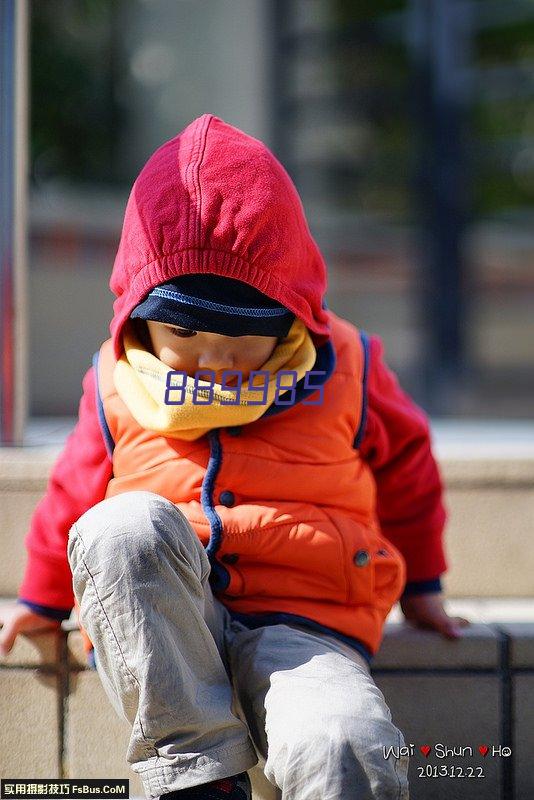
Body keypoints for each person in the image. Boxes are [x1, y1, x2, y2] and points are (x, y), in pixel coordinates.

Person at [0, 115, 469, 800]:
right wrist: (42, 595)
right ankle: (198, 779)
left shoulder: (348, 364)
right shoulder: (116, 376)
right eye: (184, 330)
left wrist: (423, 585)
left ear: (292, 313)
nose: (215, 359)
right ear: (138, 312)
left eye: (244, 336)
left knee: (347, 746)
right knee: (119, 526)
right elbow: (74, 487)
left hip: (303, 617)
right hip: (156, 620)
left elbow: (408, 468)